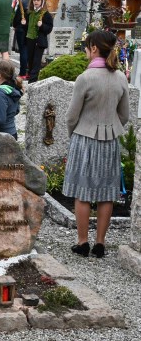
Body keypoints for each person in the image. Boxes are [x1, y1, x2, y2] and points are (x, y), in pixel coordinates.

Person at [64, 30, 131, 259]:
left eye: (86, 47)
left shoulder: (85, 78)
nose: (85, 51)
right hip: (110, 140)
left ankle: (82, 242)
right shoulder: (121, 77)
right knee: (106, 193)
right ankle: (100, 243)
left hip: (84, 138)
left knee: (82, 193)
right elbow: (124, 115)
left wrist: (73, 133)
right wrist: (110, 127)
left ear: (94, 48)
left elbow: (72, 116)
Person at [25, 0, 53, 82]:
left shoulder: (45, 14)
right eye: (34, 0)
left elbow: (49, 29)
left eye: (38, 0)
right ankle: (31, 77)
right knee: (30, 61)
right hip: (30, 40)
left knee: (36, 62)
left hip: (39, 41)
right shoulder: (30, 13)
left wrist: (42, 26)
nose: (36, 2)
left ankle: (32, 81)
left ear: (42, 1)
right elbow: (27, 27)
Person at [12, 0, 35, 78]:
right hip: (31, 29)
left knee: (23, 50)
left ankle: (22, 73)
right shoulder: (35, 1)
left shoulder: (22, 2)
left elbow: (17, 17)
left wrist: (14, 25)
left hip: (21, 29)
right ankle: (30, 72)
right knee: (30, 51)